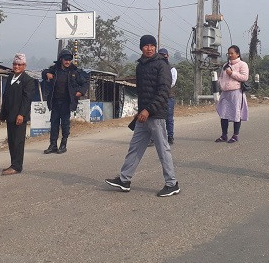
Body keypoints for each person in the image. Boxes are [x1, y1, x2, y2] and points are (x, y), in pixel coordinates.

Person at [105, 35, 180, 197]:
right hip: (143, 115)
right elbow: (141, 92)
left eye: (152, 45)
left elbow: (163, 92)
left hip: (156, 114)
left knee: (163, 150)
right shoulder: (140, 66)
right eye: (146, 46)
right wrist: (141, 111)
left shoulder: (162, 65)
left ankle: (172, 184)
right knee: (135, 147)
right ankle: (124, 180)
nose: (149, 48)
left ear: (155, 47)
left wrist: (148, 110)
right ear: (141, 48)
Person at [41, 49, 88, 154]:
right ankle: (53, 145)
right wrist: (47, 74)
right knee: (54, 123)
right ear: (61, 59)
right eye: (66, 59)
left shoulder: (75, 72)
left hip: (67, 102)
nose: (67, 62)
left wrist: (80, 92)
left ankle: (63, 145)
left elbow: (85, 83)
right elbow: (43, 72)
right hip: (55, 102)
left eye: (69, 60)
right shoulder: (55, 69)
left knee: (65, 124)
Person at [0, 53, 36, 175]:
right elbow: (6, 96)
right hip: (10, 115)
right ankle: (13, 164)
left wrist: (21, 114)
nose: (16, 66)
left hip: (19, 116)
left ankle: (17, 166)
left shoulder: (28, 80)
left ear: (24, 66)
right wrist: (3, 114)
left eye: (19, 65)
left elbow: (27, 100)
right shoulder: (10, 77)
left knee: (18, 141)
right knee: (11, 141)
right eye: (15, 64)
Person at [215, 45, 249, 143]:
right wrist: (221, 84)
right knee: (223, 113)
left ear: (237, 54)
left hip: (236, 92)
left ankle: (235, 135)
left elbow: (244, 77)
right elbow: (221, 76)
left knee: (236, 113)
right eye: (228, 53)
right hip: (225, 93)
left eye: (232, 53)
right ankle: (224, 135)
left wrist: (232, 73)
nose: (230, 55)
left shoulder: (243, 64)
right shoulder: (225, 65)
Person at [158, 48, 178, 145]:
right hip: (158, 97)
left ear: (167, 56)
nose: (162, 57)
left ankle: (170, 137)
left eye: (164, 55)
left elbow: (172, 83)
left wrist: (162, 87)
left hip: (168, 96)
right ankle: (156, 137)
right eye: (160, 55)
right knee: (157, 118)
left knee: (169, 118)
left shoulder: (172, 69)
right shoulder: (156, 67)